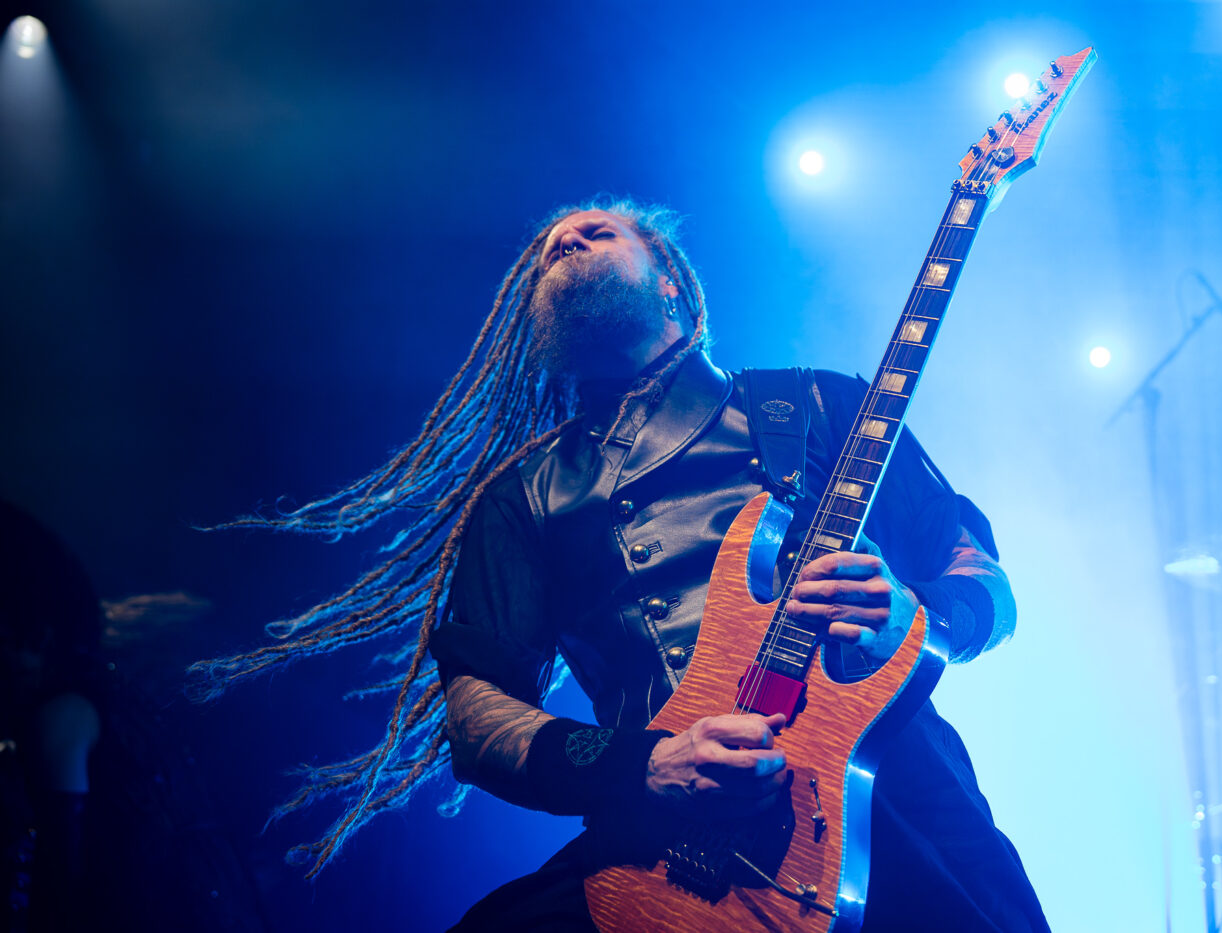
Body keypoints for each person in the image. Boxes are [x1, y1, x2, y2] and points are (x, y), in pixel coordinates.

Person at [192, 199, 1048, 931]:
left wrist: (917, 621)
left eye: (597, 230)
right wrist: (646, 764)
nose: (563, 239)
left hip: (884, 784)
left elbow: (989, 588)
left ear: (670, 277)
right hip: (668, 833)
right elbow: (477, 716)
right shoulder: (522, 497)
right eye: (546, 249)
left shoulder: (820, 402)